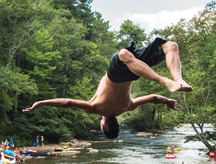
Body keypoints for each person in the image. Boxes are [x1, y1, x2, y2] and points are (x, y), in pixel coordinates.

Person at [22, 37, 192, 138]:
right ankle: (172, 80)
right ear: (102, 125)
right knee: (127, 54)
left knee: (170, 46)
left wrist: (168, 101)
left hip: (134, 71)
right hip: (123, 71)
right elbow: (67, 102)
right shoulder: (95, 108)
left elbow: (154, 98)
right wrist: (40, 103)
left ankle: (178, 81)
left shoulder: (128, 107)